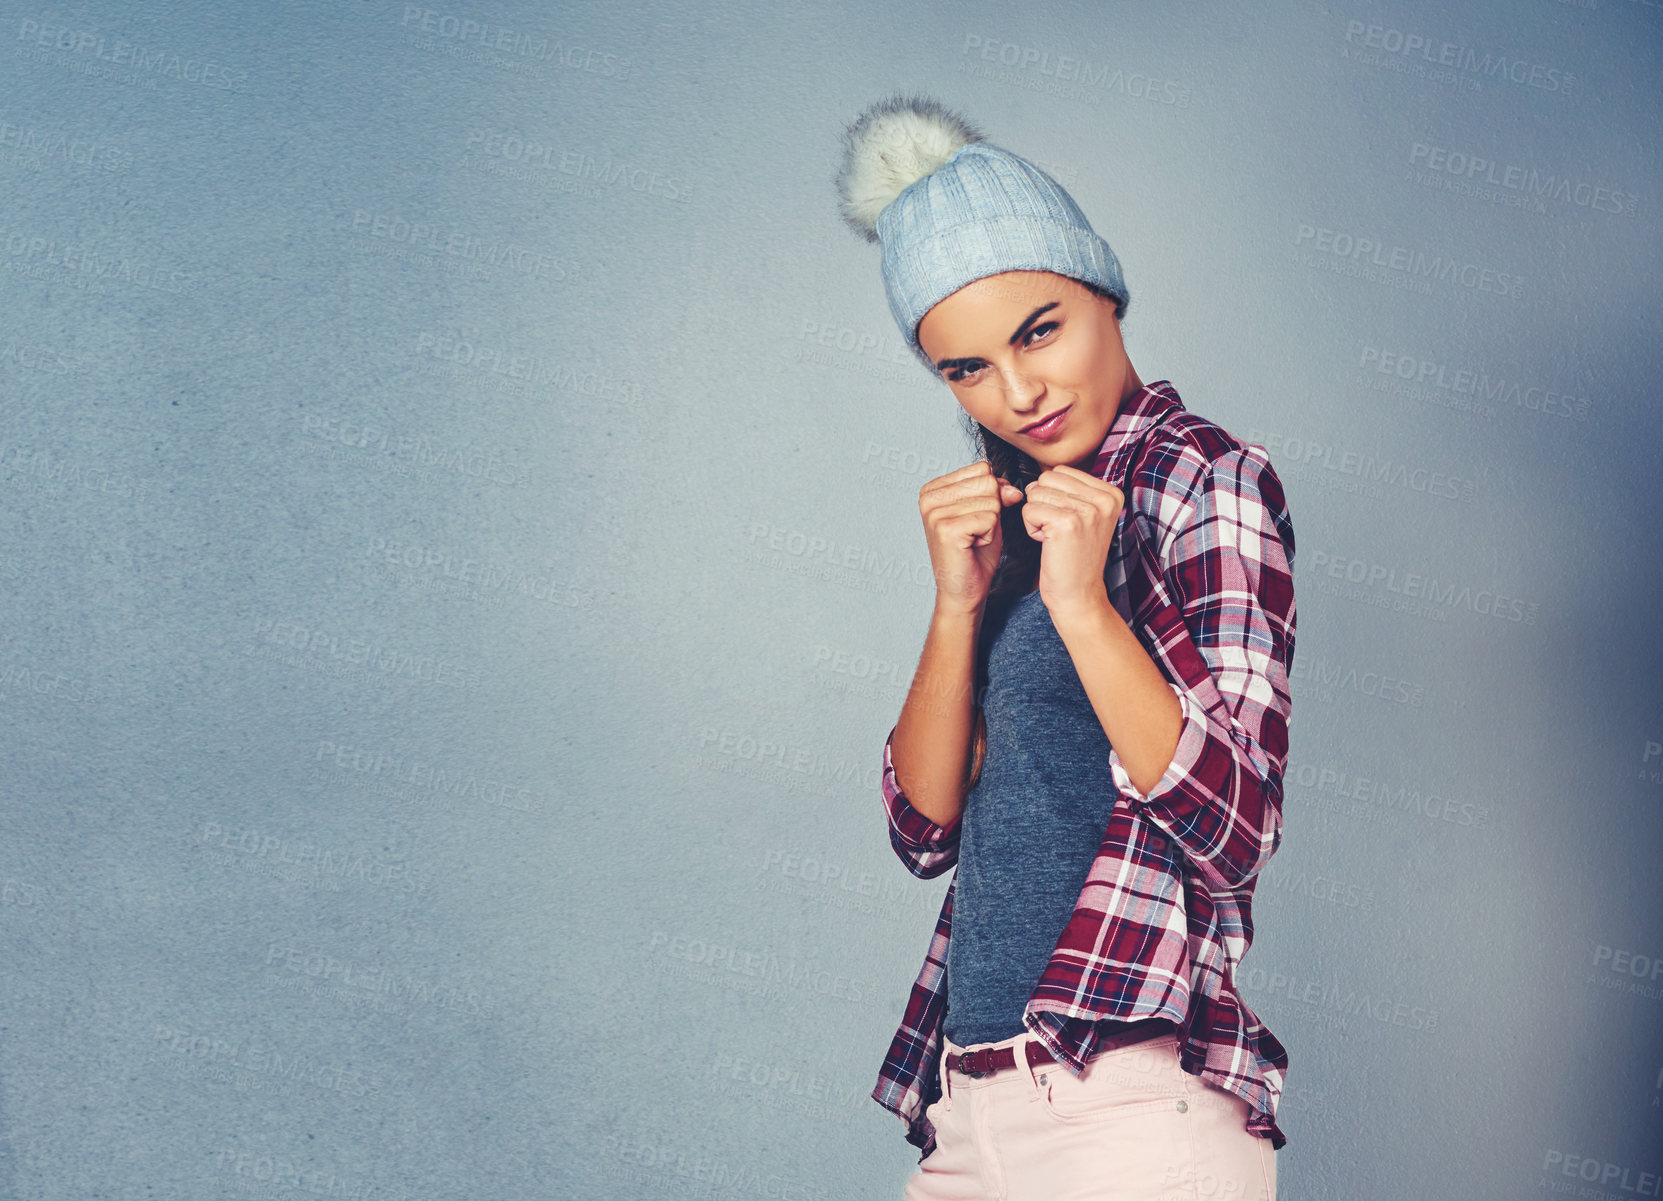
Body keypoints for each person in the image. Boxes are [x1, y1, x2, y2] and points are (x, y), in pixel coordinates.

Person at [834, 94, 1297, 1200]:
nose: (1020, 391)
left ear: (1103, 294)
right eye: (967, 368)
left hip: (1131, 1108)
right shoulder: (1017, 512)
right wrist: (957, 605)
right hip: (970, 1096)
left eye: (1039, 329)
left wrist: (1086, 608)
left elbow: (1235, 826)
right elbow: (920, 828)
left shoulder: (1205, 479)